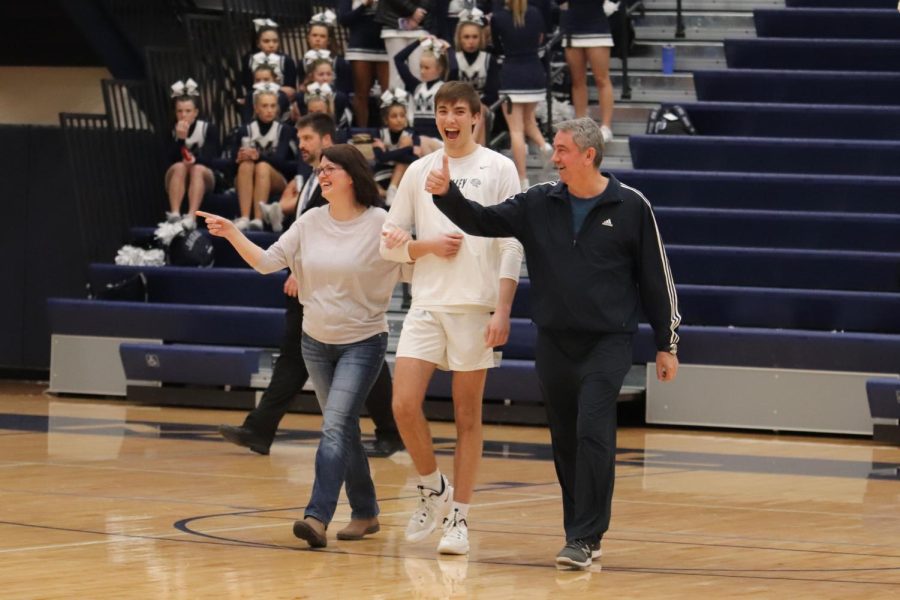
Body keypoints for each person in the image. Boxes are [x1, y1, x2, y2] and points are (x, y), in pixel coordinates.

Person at [429, 117, 681, 569]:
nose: (553, 157)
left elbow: (656, 279)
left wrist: (667, 342)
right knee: (566, 439)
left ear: (589, 155)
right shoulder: (538, 201)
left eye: (562, 150)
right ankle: (580, 535)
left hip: (608, 341)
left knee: (592, 430)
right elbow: (482, 221)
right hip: (554, 341)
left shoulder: (631, 205)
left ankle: (585, 536)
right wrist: (448, 195)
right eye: (554, 149)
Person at [200, 144, 409, 548]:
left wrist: (425, 246)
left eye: (331, 168)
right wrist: (231, 232)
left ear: (352, 174)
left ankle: (316, 517)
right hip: (315, 342)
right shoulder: (311, 221)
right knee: (343, 429)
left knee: (333, 427)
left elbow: (412, 267)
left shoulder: (381, 221)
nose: (323, 174)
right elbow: (265, 262)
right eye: (320, 168)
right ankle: (366, 512)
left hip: (363, 341)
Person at [380, 81, 524, 555]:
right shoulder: (419, 170)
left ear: (476, 117)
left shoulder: (499, 168)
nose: (451, 119)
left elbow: (512, 242)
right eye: (443, 110)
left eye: (460, 110)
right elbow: (388, 240)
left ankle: (459, 517)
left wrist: (503, 308)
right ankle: (432, 487)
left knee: (467, 416)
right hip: (425, 303)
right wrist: (425, 247)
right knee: (402, 404)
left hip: (475, 308)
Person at [224, 113, 405, 460]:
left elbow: (350, 238)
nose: (301, 144)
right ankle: (261, 428)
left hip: (336, 288)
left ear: (326, 140)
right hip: (315, 291)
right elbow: (294, 233)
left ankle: (387, 431)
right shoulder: (309, 180)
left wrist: (301, 269)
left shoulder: (354, 202)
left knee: (362, 359)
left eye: (307, 138)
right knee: (297, 359)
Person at [490, 0, 554, 191]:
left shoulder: (498, 17)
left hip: (512, 73)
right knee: (529, 121)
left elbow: (497, 46)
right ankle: (544, 146)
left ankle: (522, 178)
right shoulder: (535, 13)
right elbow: (541, 39)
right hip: (535, 72)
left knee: (516, 130)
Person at [231, 86, 295, 231]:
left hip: (276, 178)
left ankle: (258, 219)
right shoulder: (244, 130)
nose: (269, 110)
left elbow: (281, 162)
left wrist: (258, 156)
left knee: (262, 166)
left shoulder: (284, 130)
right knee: (246, 164)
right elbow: (230, 167)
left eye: (273, 106)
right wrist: (238, 159)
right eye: (264, 106)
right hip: (248, 177)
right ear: (256, 108)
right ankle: (245, 217)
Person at [164, 79, 225, 229]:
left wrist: (194, 159)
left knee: (196, 168)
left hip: (204, 174)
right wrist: (180, 140)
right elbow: (169, 160)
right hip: (180, 174)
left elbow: (212, 159)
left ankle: (191, 216)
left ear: (196, 112)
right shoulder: (171, 130)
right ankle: (175, 214)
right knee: (179, 166)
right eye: (180, 111)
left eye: (188, 111)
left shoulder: (208, 128)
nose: (183, 115)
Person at [561, 0, 616, 142]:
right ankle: (580, 125)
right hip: (572, 28)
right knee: (577, 81)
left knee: (601, 79)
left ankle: (606, 126)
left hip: (597, 28)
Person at [395, 36, 456, 153]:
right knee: (405, 141)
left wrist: (449, 49)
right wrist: (418, 41)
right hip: (418, 139)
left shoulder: (445, 88)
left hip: (439, 141)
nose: (422, 71)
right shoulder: (416, 87)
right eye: (421, 67)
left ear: (440, 69)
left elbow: (454, 69)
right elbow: (398, 60)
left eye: (427, 68)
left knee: (420, 143)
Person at [337, 0, 389, 127]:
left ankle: (389, 131)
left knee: (388, 94)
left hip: (385, 45)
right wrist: (364, 5)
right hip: (360, 47)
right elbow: (343, 19)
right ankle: (362, 132)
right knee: (361, 94)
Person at [453, 7, 499, 146]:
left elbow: (492, 93)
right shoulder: (454, 58)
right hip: (457, 105)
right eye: (466, 37)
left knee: (479, 111)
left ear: (481, 38)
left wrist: (474, 104)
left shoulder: (488, 59)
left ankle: (472, 149)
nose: (471, 41)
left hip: (483, 106)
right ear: (459, 39)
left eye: (475, 37)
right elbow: (449, 89)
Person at [372, 88, 420, 206]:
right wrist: (406, 150)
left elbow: (415, 160)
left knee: (403, 164)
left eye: (402, 116)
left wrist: (388, 154)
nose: (399, 120)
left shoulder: (411, 135)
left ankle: (392, 189)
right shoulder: (379, 133)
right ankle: (386, 193)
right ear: (385, 119)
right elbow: (380, 158)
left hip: (402, 177)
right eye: (394, 116)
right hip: (382, 174)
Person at [241, 19, 298, 102]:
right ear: (258, 43)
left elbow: (291, 89)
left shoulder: (286, 60)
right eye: (266, 41)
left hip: (281, 99)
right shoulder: (250, 60)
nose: (271, 45)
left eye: (275, 41)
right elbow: (248, 85)